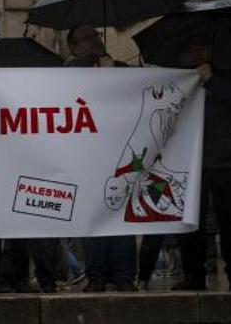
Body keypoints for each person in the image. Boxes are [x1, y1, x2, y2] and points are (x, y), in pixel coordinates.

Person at [174, 35, 231, 291]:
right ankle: (193, 275)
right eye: (191, 49)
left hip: (224, 158)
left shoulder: (230, 73)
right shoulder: (179, 78)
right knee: (190, 220)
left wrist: (212, 79)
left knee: (229, 217)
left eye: (202, 47)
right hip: (190, 159)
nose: (197, 53)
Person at [65, 24, 138, 293]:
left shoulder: (120, 68)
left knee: (120, 216)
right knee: (93, 217)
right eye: (86, 39)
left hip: (119, 154)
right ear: (74, 48)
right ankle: (96, 275)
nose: (94, 41)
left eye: (95, 36)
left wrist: (113, 73)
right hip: (87, 157)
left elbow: (135, 97)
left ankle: (124, 275)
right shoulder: (67, 72)